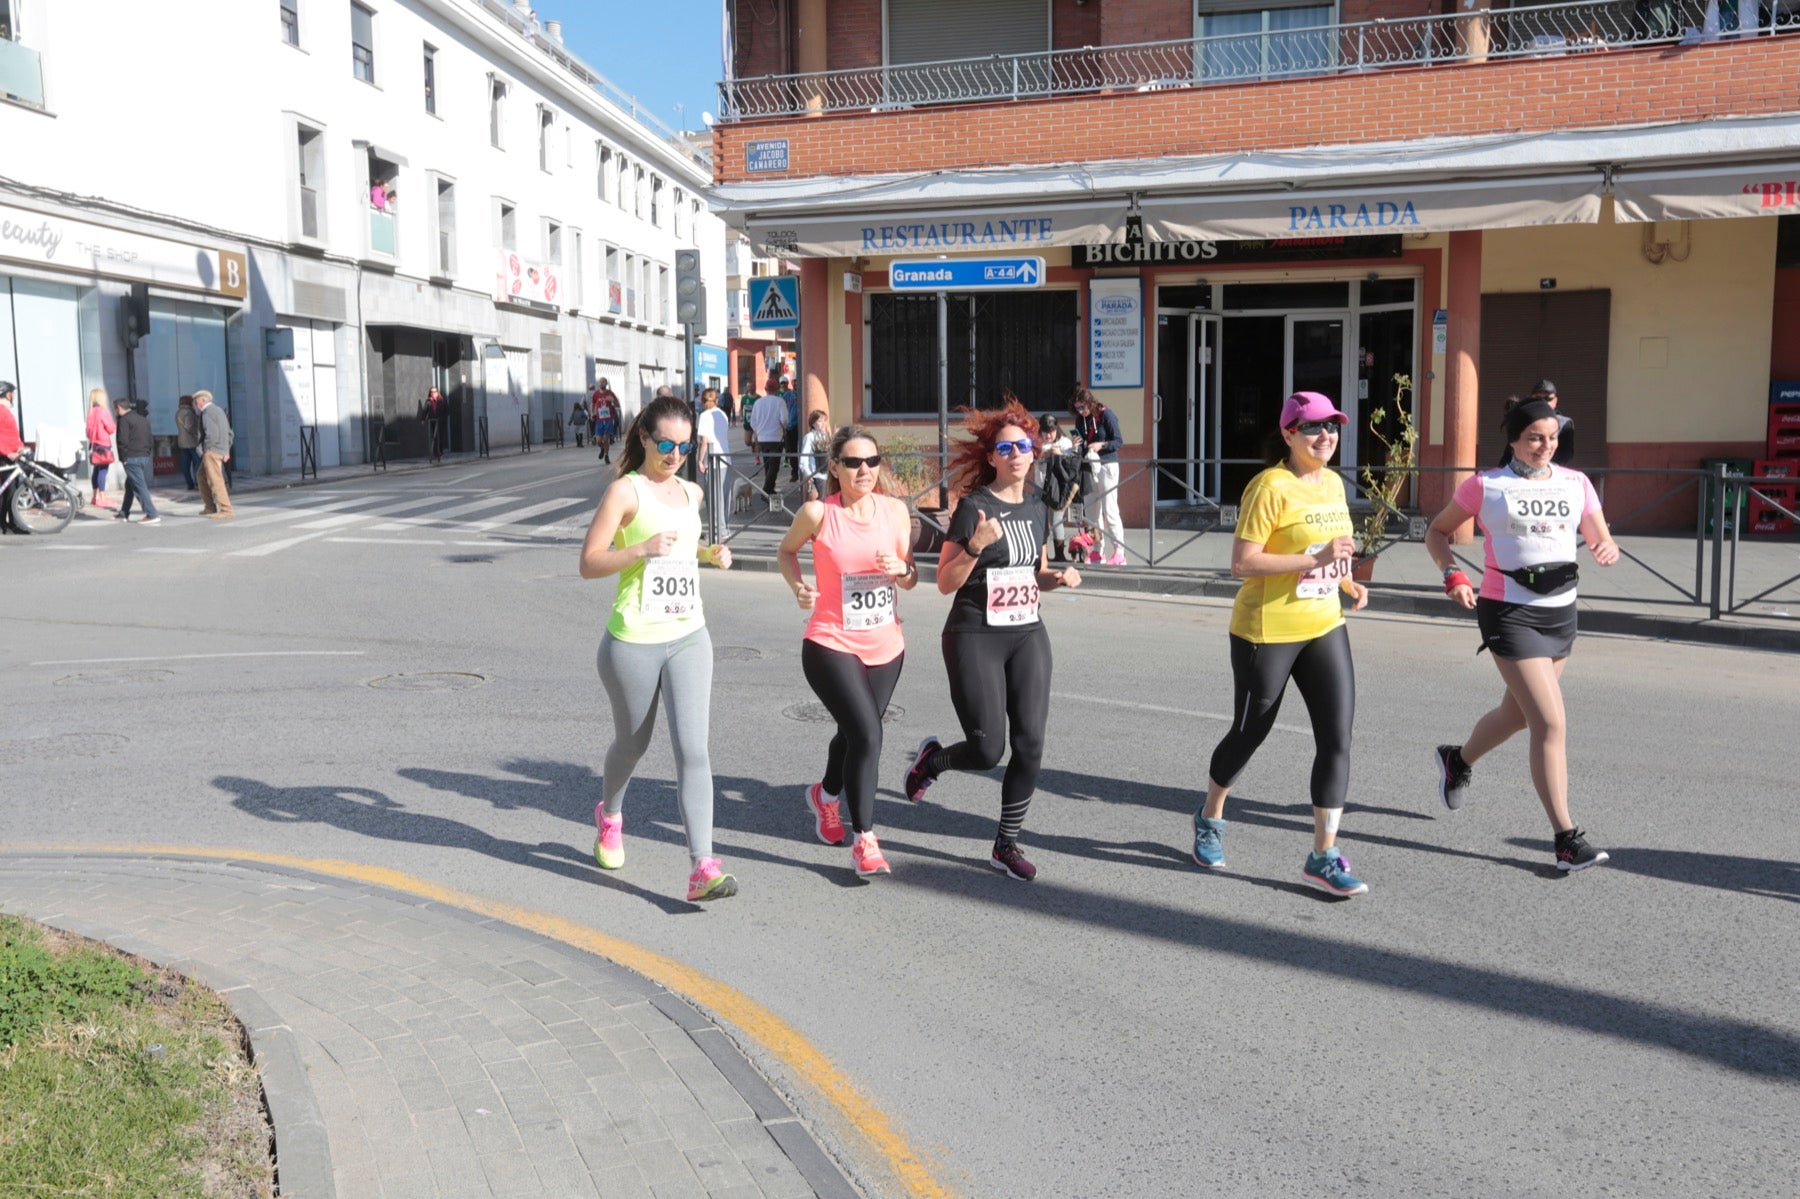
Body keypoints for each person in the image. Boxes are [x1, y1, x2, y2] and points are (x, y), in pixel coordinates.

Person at [1425, 398, 1619, 873]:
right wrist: (1453, 576)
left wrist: (1605, 545)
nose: (1545, 446)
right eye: (1534, 437)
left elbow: (1597, 533)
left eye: (1552, 438)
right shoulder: (1486, 486)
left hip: (1561, 614)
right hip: (1509, 613)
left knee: (1516, 714)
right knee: (1550, 723)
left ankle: (1458, 760)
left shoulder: (1576, 483)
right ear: (1512, 438)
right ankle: (1566, 839)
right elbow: (1437, 532)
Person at [1191, 392, 1371, 897]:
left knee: (1337, 738)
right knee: (1249, 733)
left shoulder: (1334, 484)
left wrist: (1346, 582)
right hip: (1265, 631)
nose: (1325, 437)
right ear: (1289, 433)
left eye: (1332, 427)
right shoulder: (1270, 486)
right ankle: (1210, 816)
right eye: (1313, 428)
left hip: (1322, 625)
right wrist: (1314, 561)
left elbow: (1332, 556)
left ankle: (1324, 855)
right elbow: (1243, 563)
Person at [904, 400, 1083, 881]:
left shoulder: (1037, 505)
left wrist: (1057, 578)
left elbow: (1035, 571)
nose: (1017, 454)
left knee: (1030, 744)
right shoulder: (973, 509)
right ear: (993, 458)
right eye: (1006, 448)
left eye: (1024, 445)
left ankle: (1006, 844)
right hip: (974, 633)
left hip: (1026, 633)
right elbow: (945, 582)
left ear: (1034, 451)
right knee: (987, 750)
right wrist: (974, 547)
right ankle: (933, 761)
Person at [578, 396, 738, 902]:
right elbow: (589, 562)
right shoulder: (625, 492)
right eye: (665, 444)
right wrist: (640, 549)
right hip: (633, 641)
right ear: (644, 437)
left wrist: (711, 554)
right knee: (633, 744)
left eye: (684, 446)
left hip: (690, 635)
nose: (674, 455)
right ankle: (610, 814)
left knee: (694, 749)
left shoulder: (691, 493)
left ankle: (702, 867)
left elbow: (685, 552)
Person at [778, 426, 918, 877]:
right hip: (830, 642)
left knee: (855, 732)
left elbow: (911, 576)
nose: (865, 471)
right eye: (854, 463)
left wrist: (904, 570)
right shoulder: (818, 513)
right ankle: (866, 840)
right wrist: (799, 586)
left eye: (872, 462)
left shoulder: (896, 512)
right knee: (869, 735)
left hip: (886, 645)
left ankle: (825, 794)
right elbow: (786, 551)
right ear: (834, 467)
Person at [1071, 388, 1126, 565]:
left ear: (1090, 403)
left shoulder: (1106, 415)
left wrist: (1101, 445)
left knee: (1110, 509)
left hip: (1107, 464)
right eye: (1077, 409)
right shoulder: (1081, 420)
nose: (1080, 412)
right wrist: (1077, 445)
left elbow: (1118, 441)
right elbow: (1083, 446)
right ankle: (1097, 550)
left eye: (1082, 408)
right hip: (1089, 465)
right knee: (1092, 511)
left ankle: (1119, 552)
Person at [1034, 413, 1079, 562]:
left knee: (1057, 520)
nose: (1048, 435)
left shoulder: (1065, 442)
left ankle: (1060, 554)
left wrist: (1061, 454)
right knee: (1041, 521)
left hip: (1058, 488)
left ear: (1057, 429)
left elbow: (1071, 465)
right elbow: (1030, 459)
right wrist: (1043, 454)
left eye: (1052, 431)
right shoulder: (1036, 443)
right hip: (1040, 487)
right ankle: (1043, 555)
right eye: (1045, 431)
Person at [1498, 380, 1575, 467]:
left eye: (1552, 437)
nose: (1543, 402)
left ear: (1555, 401)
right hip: (1518, 472)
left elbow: (1564, 456)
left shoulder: (1564, 422)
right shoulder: (1523, 420)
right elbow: (1509, 451)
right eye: (1538, 398)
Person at [111, 394, 160, 525]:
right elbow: (150, 438)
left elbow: (122, 440)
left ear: (119, 408)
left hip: (131, 458)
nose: (115, 411)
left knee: (139, 486)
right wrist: (148, 453)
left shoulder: (124, 420)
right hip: (143, 456)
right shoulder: (142, 419)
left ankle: (152, 514)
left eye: (115, 409)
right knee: (130, 486)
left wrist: (123, 458)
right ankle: (124, 512)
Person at [694, 387, 732, 543]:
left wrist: (700, 460)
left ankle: (718, 531)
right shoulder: (722, 414)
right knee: (724, 496)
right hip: (726, 459)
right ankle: (725, 528)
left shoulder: (704, 416)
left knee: (713, 498)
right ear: (716, 400)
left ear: (703, 401)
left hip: (712, 460)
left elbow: (704, 441)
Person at [193, 390, 234, 519]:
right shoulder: (219, 411)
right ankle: (210, 506)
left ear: (203, 401)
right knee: (201, 476)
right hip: (219, 449)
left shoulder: (207, 412)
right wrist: (226, 449)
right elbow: (229, 433)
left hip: (212, 451)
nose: (195, 405)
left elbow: (211, 434)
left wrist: (206, 450)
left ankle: (226, 509)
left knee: (216, 480)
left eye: (196, 402)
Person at [749, 373, 788, 501]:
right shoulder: (780, 401)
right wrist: (783, 427)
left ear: (765, 389)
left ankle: (770, 488)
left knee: (767, 465)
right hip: (776, 437)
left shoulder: (758, 402)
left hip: (762, 438)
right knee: (774, 466)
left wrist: (758, 431)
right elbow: (785, 419)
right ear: (776, 389)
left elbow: (752, 421)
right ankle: (766, 490)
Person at [85, 388, 116, 509]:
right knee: (103, 471)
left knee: (96, 471)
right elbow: (111, 428)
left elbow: (87, 431)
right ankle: (102, 497)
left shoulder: (90, 412)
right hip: (103, 443)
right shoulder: (102, 411)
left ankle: (95, 496)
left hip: (94, 445)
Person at [797, 410, 832, 502]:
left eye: (825, 420)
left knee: (829, 497)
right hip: (818, 473)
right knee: (824, 498)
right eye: (820, 421)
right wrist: (808, 473)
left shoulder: (827, 436)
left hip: (829, 473)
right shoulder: (810, 437)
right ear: (813, 423)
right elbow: (804, 459)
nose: (823, 423)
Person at [0, 382, 21, 534]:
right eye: (12, 393)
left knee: (10, 491)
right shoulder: (1, 411)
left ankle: (9, 524)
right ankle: (6, 525)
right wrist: (8, 452)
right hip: (4, 456)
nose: (14, 396)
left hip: (11, 455)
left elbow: (10, 434)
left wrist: (20, 446)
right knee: (6, 492)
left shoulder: (5, 410)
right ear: (8, 394)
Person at [174, 395, 201, 491]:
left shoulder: (179, 412)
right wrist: (198, 433)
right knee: (198, 461)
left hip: (182, 441)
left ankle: (189, 484)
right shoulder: (188, 412)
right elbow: (189, 426)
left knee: (186, 463)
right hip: (191, 441)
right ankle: (198, 483)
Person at [592, 378, 620, 462]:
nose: (601, 383)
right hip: (599, 420)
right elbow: (592, 403)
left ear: (606, 383)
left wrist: (613, 401)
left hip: (608, 419)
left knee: (606, 439)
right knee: (598, 440)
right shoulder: (596, 394)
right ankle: (603, 449)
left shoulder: (610, 393)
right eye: (600, 382)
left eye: (603, 382)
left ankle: (606, 456)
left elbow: (617, 404)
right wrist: (592, 413)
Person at [423, 386, 448, 460]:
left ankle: (440, 451)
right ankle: (436, 452)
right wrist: (423, 419)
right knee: (434, 437)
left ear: (437, 392)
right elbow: (425, 410)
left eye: (435, 392)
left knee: (440, 436)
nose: (433, 393)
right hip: (432, 421)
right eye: (432, 392)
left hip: (440, 421)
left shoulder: (442, 400)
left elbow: (447, 410)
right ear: (430, 393)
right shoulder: (428, 401)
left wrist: (443, 418)